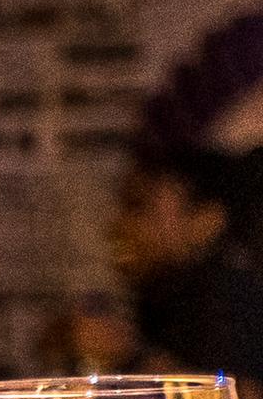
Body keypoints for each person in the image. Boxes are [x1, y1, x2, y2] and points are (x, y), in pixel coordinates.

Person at [104, 142, 263, 383]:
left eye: (139, 207)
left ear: (206, 221)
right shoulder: (163, 296)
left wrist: (129, 355)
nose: (121, 225)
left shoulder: (223, 297)